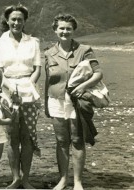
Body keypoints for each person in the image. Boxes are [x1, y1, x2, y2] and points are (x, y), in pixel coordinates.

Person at [44, 13, 103, 190]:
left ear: (73, 30)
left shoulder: (84, 50)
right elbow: (48, 80)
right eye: (61, 28)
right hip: (55, 100)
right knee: (61, 140)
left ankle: (77, 182)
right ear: (55, 30)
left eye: (68, 28)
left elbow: (98, 74)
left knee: (77, 140)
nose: (65, 31)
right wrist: (45, 103)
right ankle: (63, 179)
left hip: (76, 100)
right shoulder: (49, 53)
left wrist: (83, 86)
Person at [0, 4, 42, 189]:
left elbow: (37, 69)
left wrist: (30, 84)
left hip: (29, 91)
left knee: (27, 136)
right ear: (7, 21)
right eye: (13, 19)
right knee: (12, 137)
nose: (17, 22)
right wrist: (10, 89)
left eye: (20, 19)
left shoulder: (33, 42)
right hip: (6, 91)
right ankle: (15, 179)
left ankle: (25, 179)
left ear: (25, 21)